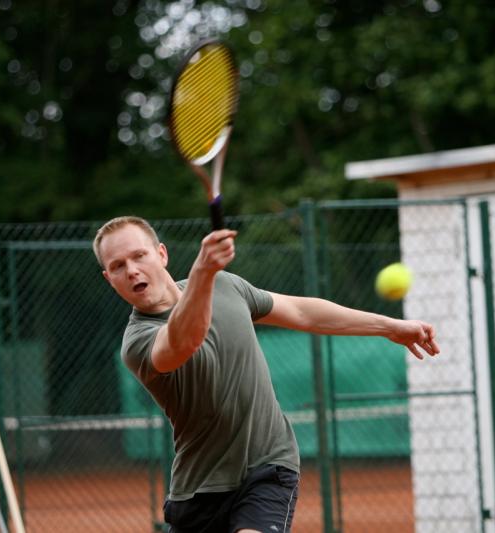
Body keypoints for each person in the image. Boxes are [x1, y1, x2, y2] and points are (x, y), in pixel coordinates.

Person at [93, 216, 440, 533]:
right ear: (109, 279)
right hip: (198, 491)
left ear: (161, 254)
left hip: (268, 466)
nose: (132, 270)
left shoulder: (226, 286)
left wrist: (389, 327)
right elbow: (185, 339)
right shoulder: (137, 342)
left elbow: (301, 311)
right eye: (118, 266)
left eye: (139, 256)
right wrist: (202, 274)